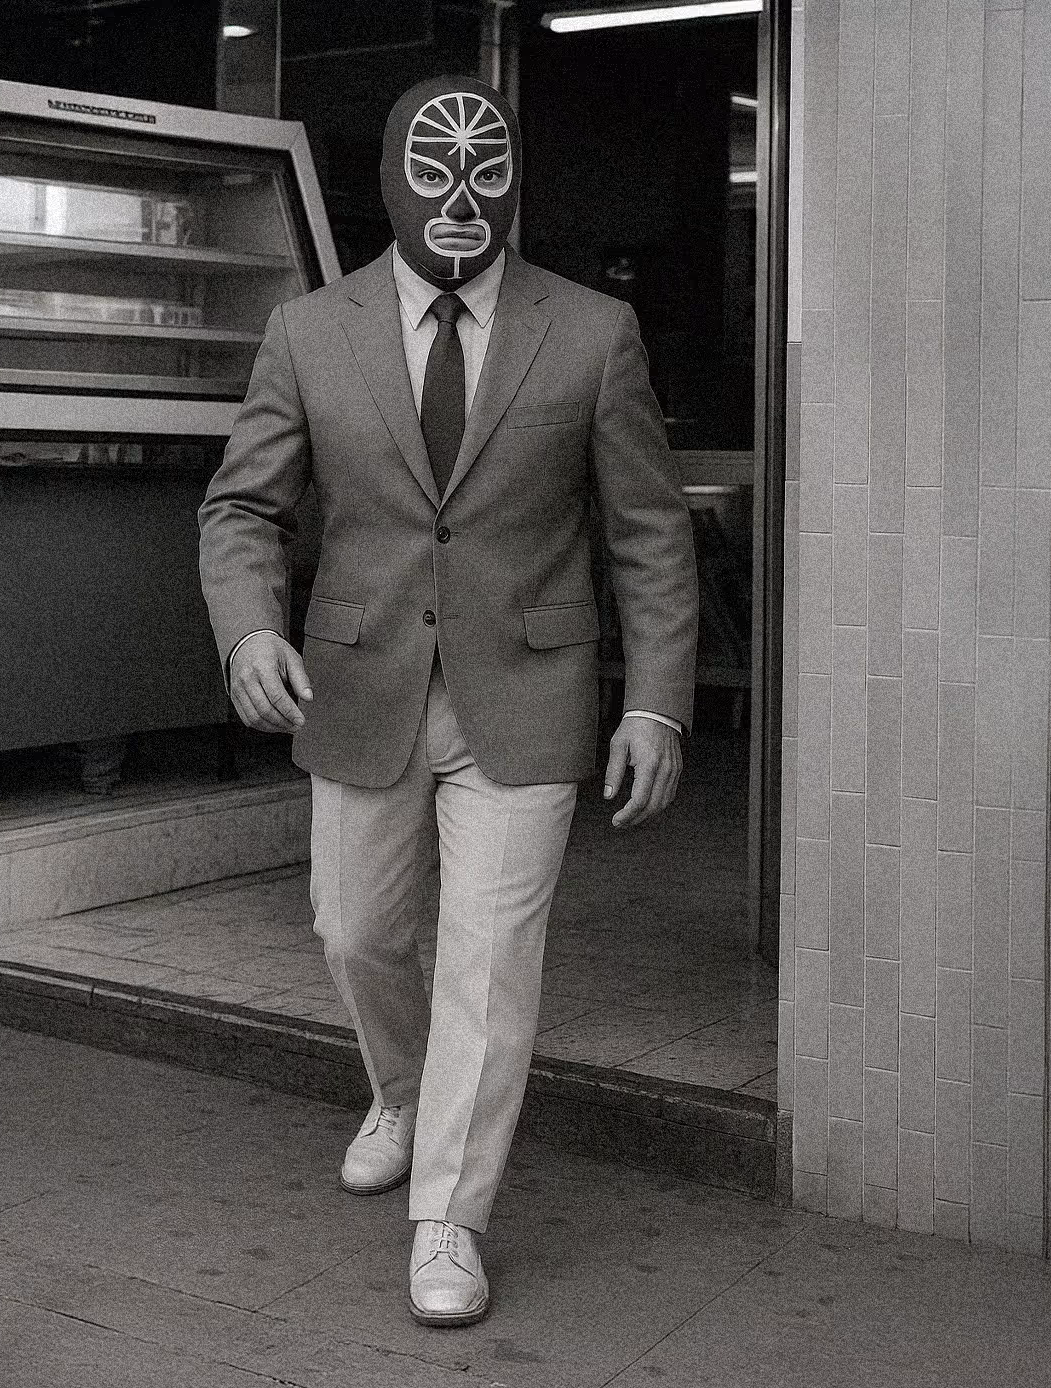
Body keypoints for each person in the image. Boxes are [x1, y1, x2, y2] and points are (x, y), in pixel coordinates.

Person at [198, 74, 698, 1326]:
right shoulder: (309, 331)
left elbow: (647, 531)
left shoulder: (591, 332)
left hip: (527, 693)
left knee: (488, 963)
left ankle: (449, 1220)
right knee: (355, 933)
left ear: (515, 173)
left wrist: (659, 702)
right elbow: (242, 508)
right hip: (361, 684)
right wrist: (249, 628)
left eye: (488, 165)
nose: (463, 194)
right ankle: (405, 1091)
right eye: (435, 166)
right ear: (393, 182)